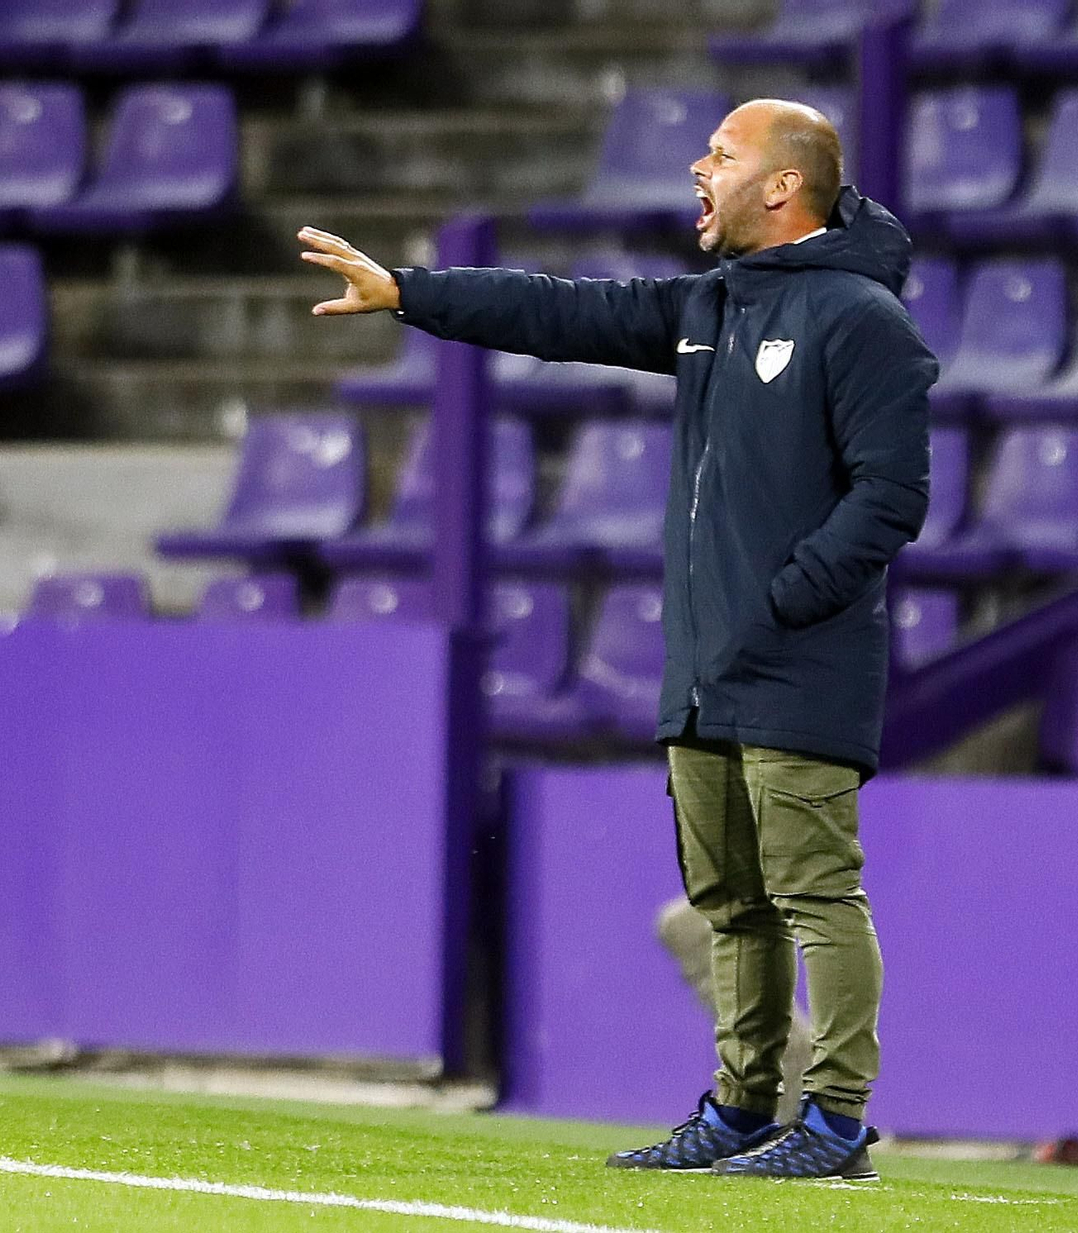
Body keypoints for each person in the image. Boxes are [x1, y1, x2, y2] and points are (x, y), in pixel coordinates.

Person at [300, 98, 936, 1181]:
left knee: (815, 894)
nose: (698, 167)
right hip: (706, 667)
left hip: (797, 663)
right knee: (729, 900)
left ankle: (832, 1119)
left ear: (782, 188)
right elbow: (562, 314)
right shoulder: (712, 306)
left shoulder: (858, 321)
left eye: (722, 155)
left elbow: (892, 497)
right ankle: (741, 1108)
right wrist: (411, 294)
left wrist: (782, 600)